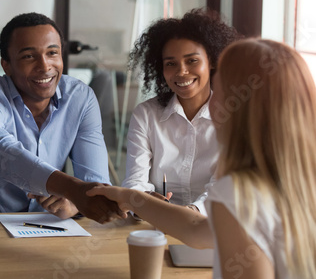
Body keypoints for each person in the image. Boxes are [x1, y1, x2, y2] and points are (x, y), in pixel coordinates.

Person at [88, 39, 316, 278]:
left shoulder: (239, 193)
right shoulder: (298, 181)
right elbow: (196, 230)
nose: (212, 101)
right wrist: (130, 197)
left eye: (219, 87)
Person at [0, 12, 124, 223]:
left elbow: (94, 184)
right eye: (28, 56)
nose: (44, 66)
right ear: (6, 65)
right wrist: (73, 190)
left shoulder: (79, 98)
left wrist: (73, 204)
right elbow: (3, 153)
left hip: (47, 228)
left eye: (52, 53)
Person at [122, 8, 240, 214]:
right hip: (156, 223)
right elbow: (135, 181)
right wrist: (145, 200)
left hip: (211, 227)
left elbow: (222, 187)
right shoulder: (146, 115)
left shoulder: (233, 117)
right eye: (171, 63)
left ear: (211, 61)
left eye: (192, 60)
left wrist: (190, 213)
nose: (181, 71)